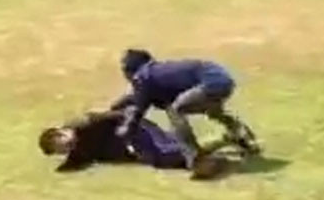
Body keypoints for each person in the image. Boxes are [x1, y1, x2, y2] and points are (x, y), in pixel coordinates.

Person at [110, 49, 260, 169]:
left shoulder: (144, 76)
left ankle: (196, 158)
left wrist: (126, 129)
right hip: (221, 78)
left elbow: (138, 109)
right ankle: (240, 135)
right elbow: (136, 98)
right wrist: (116, 106)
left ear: (130, 70)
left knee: (177, 110)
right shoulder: (156, 73)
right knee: (211, 111)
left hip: (210, 82)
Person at [38, 109, 240, 177]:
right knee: (171, 157)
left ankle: (223, 143)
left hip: (136, 128)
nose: (65, 148)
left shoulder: (84, 124)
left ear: (60, 131)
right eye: (60, 150)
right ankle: (225, 143)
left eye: (61, 143)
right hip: (136, 145)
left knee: (165, 154)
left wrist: (129, 135)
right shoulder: (79, 151)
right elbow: (73, 163)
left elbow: (119, 115)